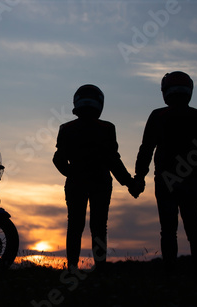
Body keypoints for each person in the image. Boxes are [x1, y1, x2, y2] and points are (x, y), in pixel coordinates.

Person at [133, 71, 197, 272]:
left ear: (166, 91)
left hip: (165, 181)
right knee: (195, 230)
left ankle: (170, 274)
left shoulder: (158, 116)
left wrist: (139, 177)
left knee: (168, 231)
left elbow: (146, 148)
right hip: (192, 181)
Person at [53, 84, 141, 271]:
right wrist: (129, 183)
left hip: (76, 183)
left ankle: (72, 267)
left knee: (75, 225)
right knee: (99, 226)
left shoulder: (66, 128)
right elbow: (113, 161)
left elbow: (58, 159)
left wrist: (72, 173)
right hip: (101, 182)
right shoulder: (107, 128)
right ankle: (100, 268)